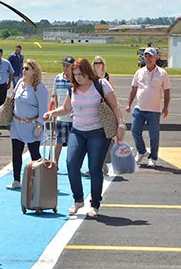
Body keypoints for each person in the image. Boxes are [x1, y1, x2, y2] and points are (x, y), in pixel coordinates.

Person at [45, 58, 125, 218]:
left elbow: (115, 105)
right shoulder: (72, 88)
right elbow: (66, 108)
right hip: (78, 131)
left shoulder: (101, 85)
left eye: (80, 74)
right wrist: (52, 113)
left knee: (94, 168)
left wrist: (120, 124)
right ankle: (78, 199)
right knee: (71, 163)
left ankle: (95, 203)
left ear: (88, 72)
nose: (78, 78)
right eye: (75, 75)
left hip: (98, 132)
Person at [0, 59, 49, 190]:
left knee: (34, 154)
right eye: (23, 68)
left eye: (27, 69)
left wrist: (39, 125)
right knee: (16, 152)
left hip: (32, 125)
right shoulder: (20, 83)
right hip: (17, 123)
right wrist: (2, 108)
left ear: (34, 72)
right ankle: (16, 180)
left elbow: (44, 109)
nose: (23, 71)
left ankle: (40, 181)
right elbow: (12, 98)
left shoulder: (39, 88)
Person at [125, 47, 171, 168]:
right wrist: (129, 104)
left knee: (154, 135)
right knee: (135, 131)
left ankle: (153, 157)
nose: (148, 58)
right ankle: (141, 151)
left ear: (156, 57)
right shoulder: (139, 72)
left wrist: (165, 108)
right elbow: (134, 89)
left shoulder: (162, 73)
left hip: (154, 111)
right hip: (139, 108)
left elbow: (166, 91)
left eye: (150, 56)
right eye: (146, 56)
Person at [52, 56, 75, 165]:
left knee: (73, 144)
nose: (65, 68)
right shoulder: (58, 78)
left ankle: (72, 163)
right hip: (61, 117)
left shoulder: (75, 80)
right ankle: (55, 163)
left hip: (73, 118)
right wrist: (54, 115)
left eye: (68, 66)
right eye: (64, 65)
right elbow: (54, 97)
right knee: (59, 141)